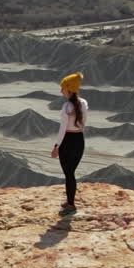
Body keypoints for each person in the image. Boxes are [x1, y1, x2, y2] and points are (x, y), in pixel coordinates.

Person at [52, 72, 88, 214]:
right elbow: (83, 124)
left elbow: (62, 129)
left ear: (69, 89)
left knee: (68, 173)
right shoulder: (84, 103)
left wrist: (56, 147)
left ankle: (71, 204)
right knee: (71, 173)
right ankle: (70, 200)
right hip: (79, 140)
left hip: (67, 141)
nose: (61, 91)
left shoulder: (66, 107)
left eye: (63, 88)